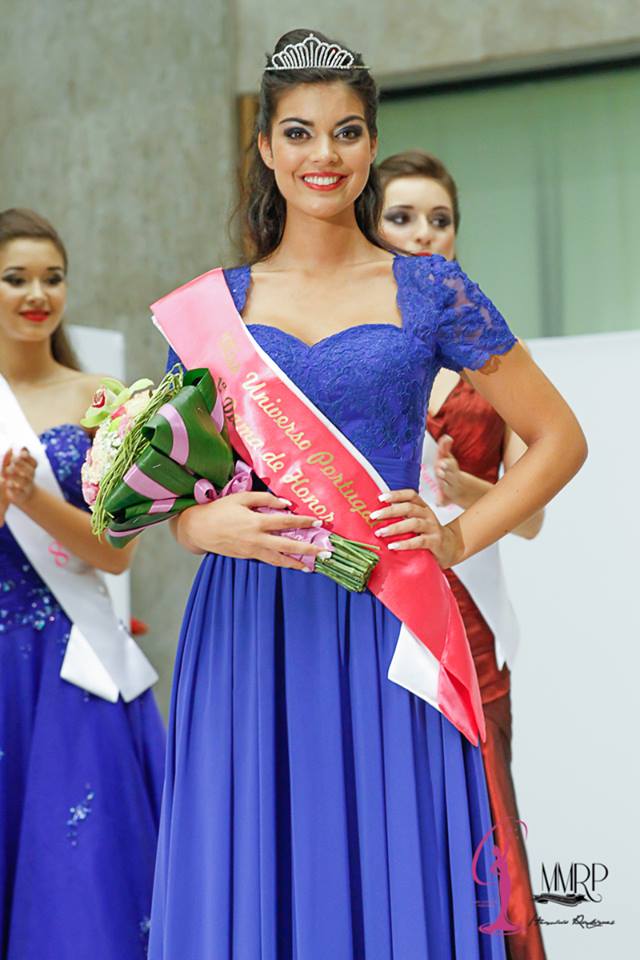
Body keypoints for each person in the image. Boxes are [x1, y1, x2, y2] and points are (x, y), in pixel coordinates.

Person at [149, 30, 587, 960]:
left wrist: (458, 537)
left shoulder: (430, 289)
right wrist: (198, 524)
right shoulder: (212, 307)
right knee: (262, 852)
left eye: (346, 132)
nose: (325, 154)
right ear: (265, 146)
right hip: (251, 623)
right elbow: (177, 489)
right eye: (299, 132)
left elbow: (559, 439)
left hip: (388, 612)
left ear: (371, 144)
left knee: (395, 856)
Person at [379, 150, 546, 959]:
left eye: (439, 220)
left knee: (486, 813)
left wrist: (463, 489)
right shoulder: (354, 354)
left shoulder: (492, 359)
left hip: (471, 621)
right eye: (402, 217)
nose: (423, 234)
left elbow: (532, 517)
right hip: (380, 616)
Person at [0, 208, 165, 959]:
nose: (38, 294)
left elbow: (116, 554)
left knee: (83, 875)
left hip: (74, 659)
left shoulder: (101, 399)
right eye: (16, 279)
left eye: (53, 278)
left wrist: (32, 501)